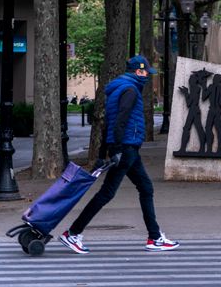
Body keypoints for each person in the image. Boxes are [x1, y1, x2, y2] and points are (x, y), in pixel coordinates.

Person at [60, 55, 179, 255]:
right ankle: (73, 232)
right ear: (138, 71)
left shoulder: (117, 90)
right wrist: (116, 149)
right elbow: (120, 120)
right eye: (146, 73)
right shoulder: (130, 90)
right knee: (107, 192)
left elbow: (107, 123)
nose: (147, 77)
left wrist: (102, 153)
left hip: (126, 148)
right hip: (126, 147)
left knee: (145, 188)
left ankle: (155, 237)